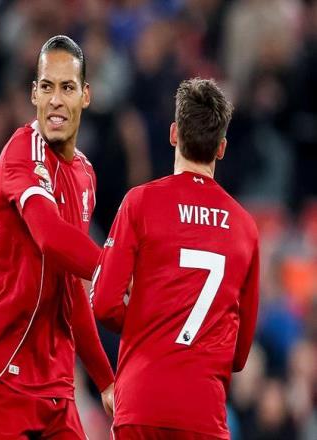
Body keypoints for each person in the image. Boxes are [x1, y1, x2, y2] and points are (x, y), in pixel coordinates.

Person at [0, 35, 114, 440]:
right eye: (47, 87)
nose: (56, 100)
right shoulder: (21, 152)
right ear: (34, 94)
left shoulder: (85, 175)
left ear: (85, 96)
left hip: (55, 390)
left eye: (67, 87)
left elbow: (70, 286)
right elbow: (50, 237)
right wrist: (118, 270)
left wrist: (106, 380)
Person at [91, 78, 259, 440]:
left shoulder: (140, 203)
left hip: (141, 403)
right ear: (221, 148)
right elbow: (240, 354)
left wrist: (149, 321)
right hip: (204, 414)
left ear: (173, 134)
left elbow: (103, 304)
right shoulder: (245, 227)